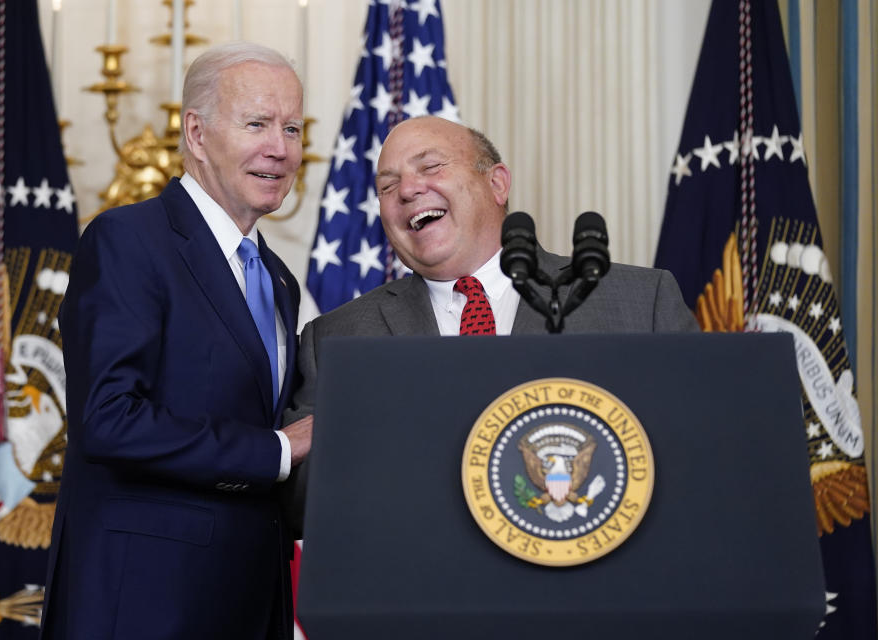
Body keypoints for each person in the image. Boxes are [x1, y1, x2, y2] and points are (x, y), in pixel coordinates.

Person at [281, 116, 697, 526]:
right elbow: (298, 506)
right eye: (387, 186)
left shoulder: (641, 302)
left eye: (431, 167)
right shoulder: (337, 337)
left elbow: (703, 456)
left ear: (497, 183)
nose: (407, 190)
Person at [40, 42, 312, 640]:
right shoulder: (128, 240)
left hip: (247, 599)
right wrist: (276, 451)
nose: (281, 148)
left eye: (292, 128)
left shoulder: (278, 278)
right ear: (196, 132)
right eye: (258, 124)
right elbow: (109, 419)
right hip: (143, 601)